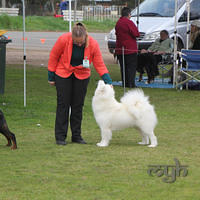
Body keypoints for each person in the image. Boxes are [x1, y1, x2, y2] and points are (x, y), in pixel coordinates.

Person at [48, 22, 112, 146]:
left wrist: (108, 81)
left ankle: (76, 136)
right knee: (63, 105)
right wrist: (51, 76)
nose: (78, 44)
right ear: (71, 37)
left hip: (82, 75)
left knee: (78, 106)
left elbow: (99, 64)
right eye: (76, 42)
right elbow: (54, 56)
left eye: (81, 42)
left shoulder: (93, 44)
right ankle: (60, 137)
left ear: (85, 37)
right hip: (63, 73)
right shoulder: (64, 39)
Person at [115, 7, 140, 88]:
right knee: (131, 68)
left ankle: (125, 83)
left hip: (120, 48)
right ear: (129, 14)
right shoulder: (129, 22)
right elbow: (136, 34)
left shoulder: (118, 22)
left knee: (123, 67)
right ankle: (131, 83)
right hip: (130, 49)